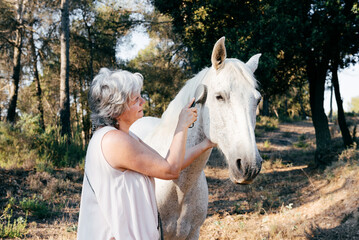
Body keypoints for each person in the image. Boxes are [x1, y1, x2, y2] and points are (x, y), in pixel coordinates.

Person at [77, 68, 215, 240]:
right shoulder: (114, 141)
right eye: (136, 99)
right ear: (116, 109)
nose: (143, 101)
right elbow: (170, 169)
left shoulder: (124, 136)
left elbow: (167, 163)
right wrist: (182, 126)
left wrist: (206, 144)